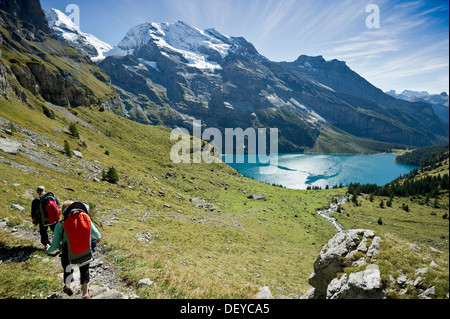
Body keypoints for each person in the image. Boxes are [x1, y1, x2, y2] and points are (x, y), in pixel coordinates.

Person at [46, 200, 101, 299]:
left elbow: (54, 246)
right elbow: (97, 235)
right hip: (85, 251)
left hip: (68, 253)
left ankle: (68, 287)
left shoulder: (61, 225)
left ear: (63, 212)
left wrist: (47, 249)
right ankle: (85, 294)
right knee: (84, 270)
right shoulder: (85, 219)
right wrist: (96, 241)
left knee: (68, 269)